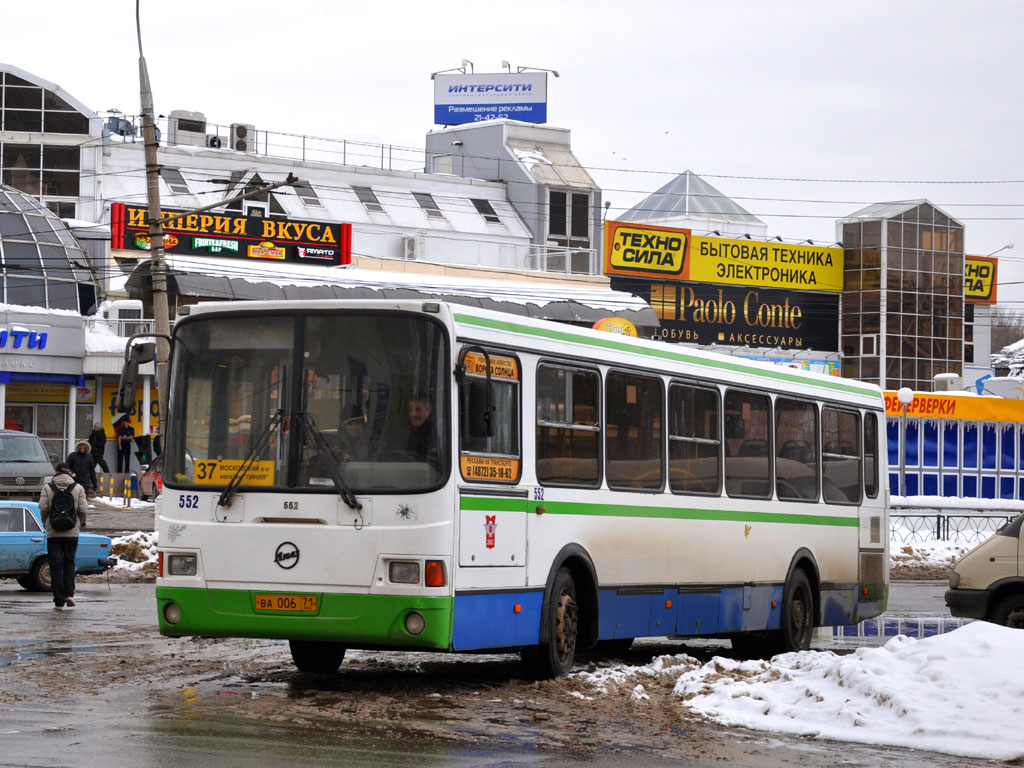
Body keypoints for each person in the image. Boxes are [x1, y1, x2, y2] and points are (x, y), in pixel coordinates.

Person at [39, 462, 88, 610]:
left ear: (56, 472)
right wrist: (79, 522)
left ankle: (58, 601)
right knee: (69, 562)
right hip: (72, 532)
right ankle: (69, 594)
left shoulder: (48, 487)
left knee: (55, 567)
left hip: (53, 532)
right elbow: (83, 509)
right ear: (68, 472)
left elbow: (43, 507)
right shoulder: (78, 488)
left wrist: (47, 522)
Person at [406, 394, 434, 461]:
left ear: (428, 411)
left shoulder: (434, 433)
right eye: (410, 410)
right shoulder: (410, 429)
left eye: (418, 409)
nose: (413, 414)